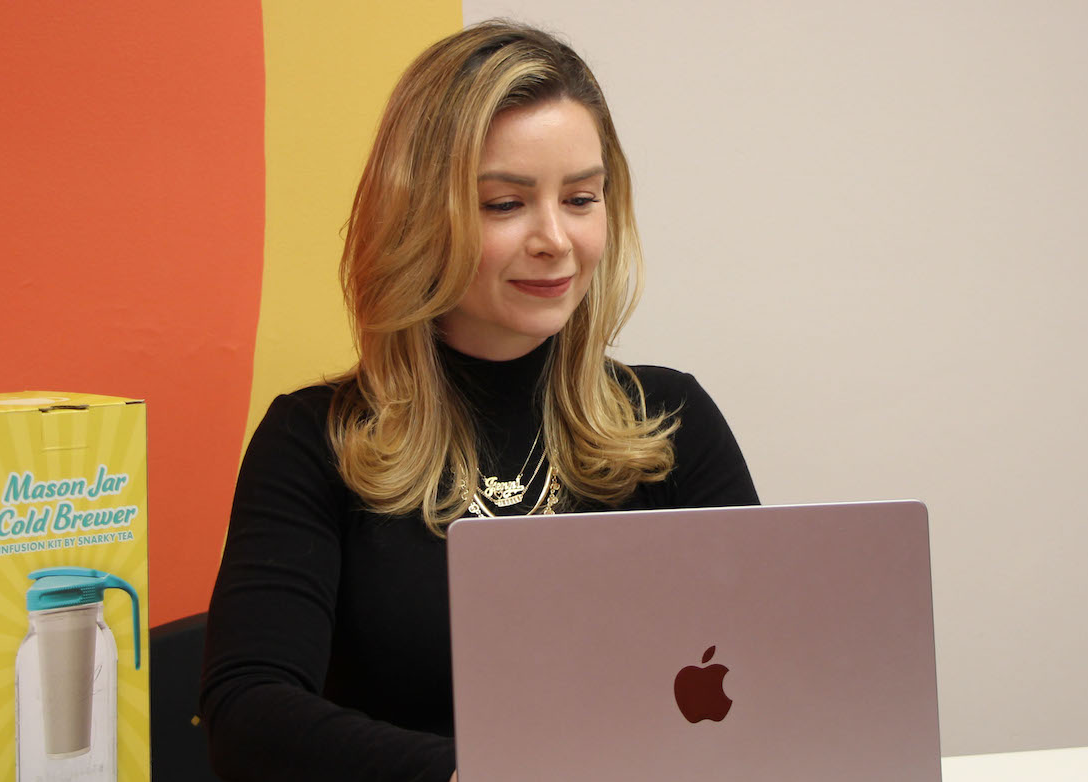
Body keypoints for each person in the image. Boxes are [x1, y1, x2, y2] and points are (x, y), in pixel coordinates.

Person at [201, 21, 759, 782]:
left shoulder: (673, 421)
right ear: (418, 214)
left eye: (582, 198)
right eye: (505, 204)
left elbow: (767, 680)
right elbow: (247, 713)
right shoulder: (313, 442)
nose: (555, 239)